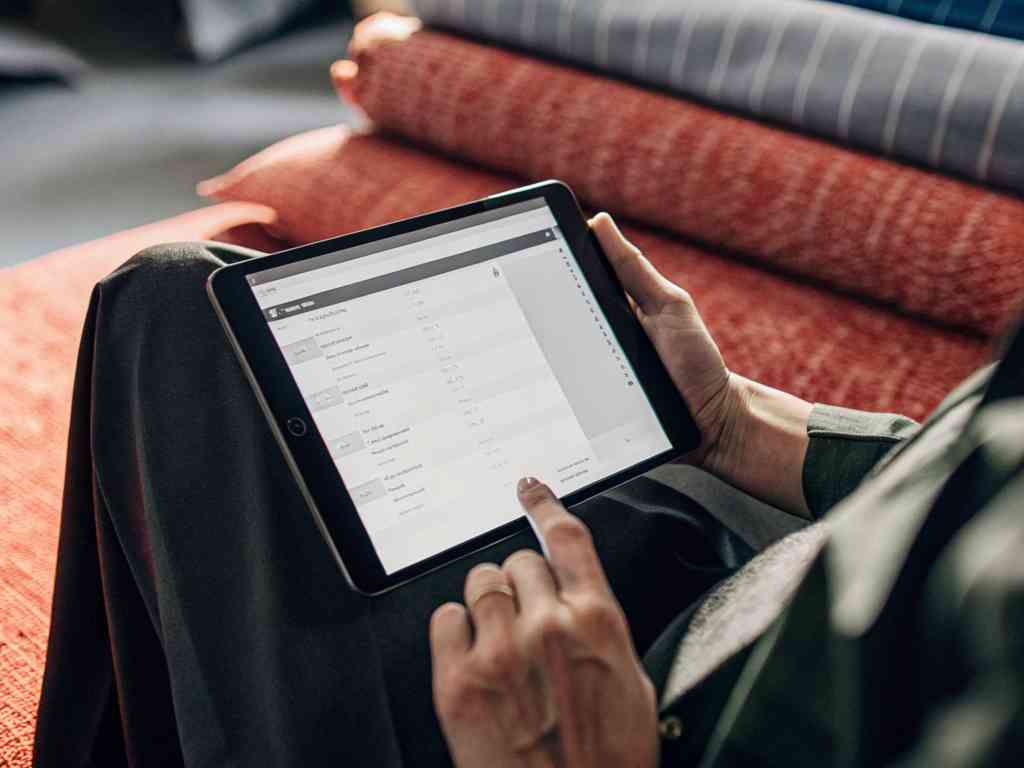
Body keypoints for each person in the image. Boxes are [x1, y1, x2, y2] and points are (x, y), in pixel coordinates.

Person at [34, 214, 1023, 767]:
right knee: (187, 298)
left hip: (656, 732)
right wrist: (731, 426)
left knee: (166, 330)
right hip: (764, 559)